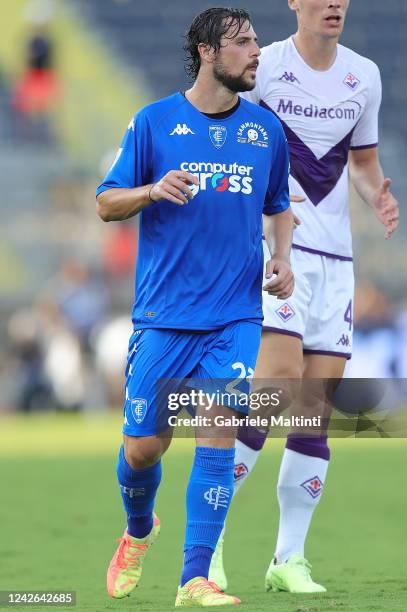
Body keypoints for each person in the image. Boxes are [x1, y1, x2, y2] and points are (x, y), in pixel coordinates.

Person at [96, 7, 294, 607]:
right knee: (142, 450)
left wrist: (282, 256)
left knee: (217, 431)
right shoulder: (154, 123)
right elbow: (106, 203)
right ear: (208, 52)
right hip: (163, 317)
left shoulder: (266, 132)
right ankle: (137, 531)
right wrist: (153, 190)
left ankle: (194, 579)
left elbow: (279, 204)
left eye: (256, 41)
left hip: (235, 317)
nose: (255, 51)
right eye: (241, 42)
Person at [209, 0, 400, 594]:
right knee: (274, 389)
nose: (334, 3)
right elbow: (221, 130)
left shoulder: (363, 75)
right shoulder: (262, 66)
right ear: (295, 2)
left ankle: (287, 559)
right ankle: (206, 543)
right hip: (276, 250)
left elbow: (362, 162)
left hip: (337, 261)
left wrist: (378, 196)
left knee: (313, 410)